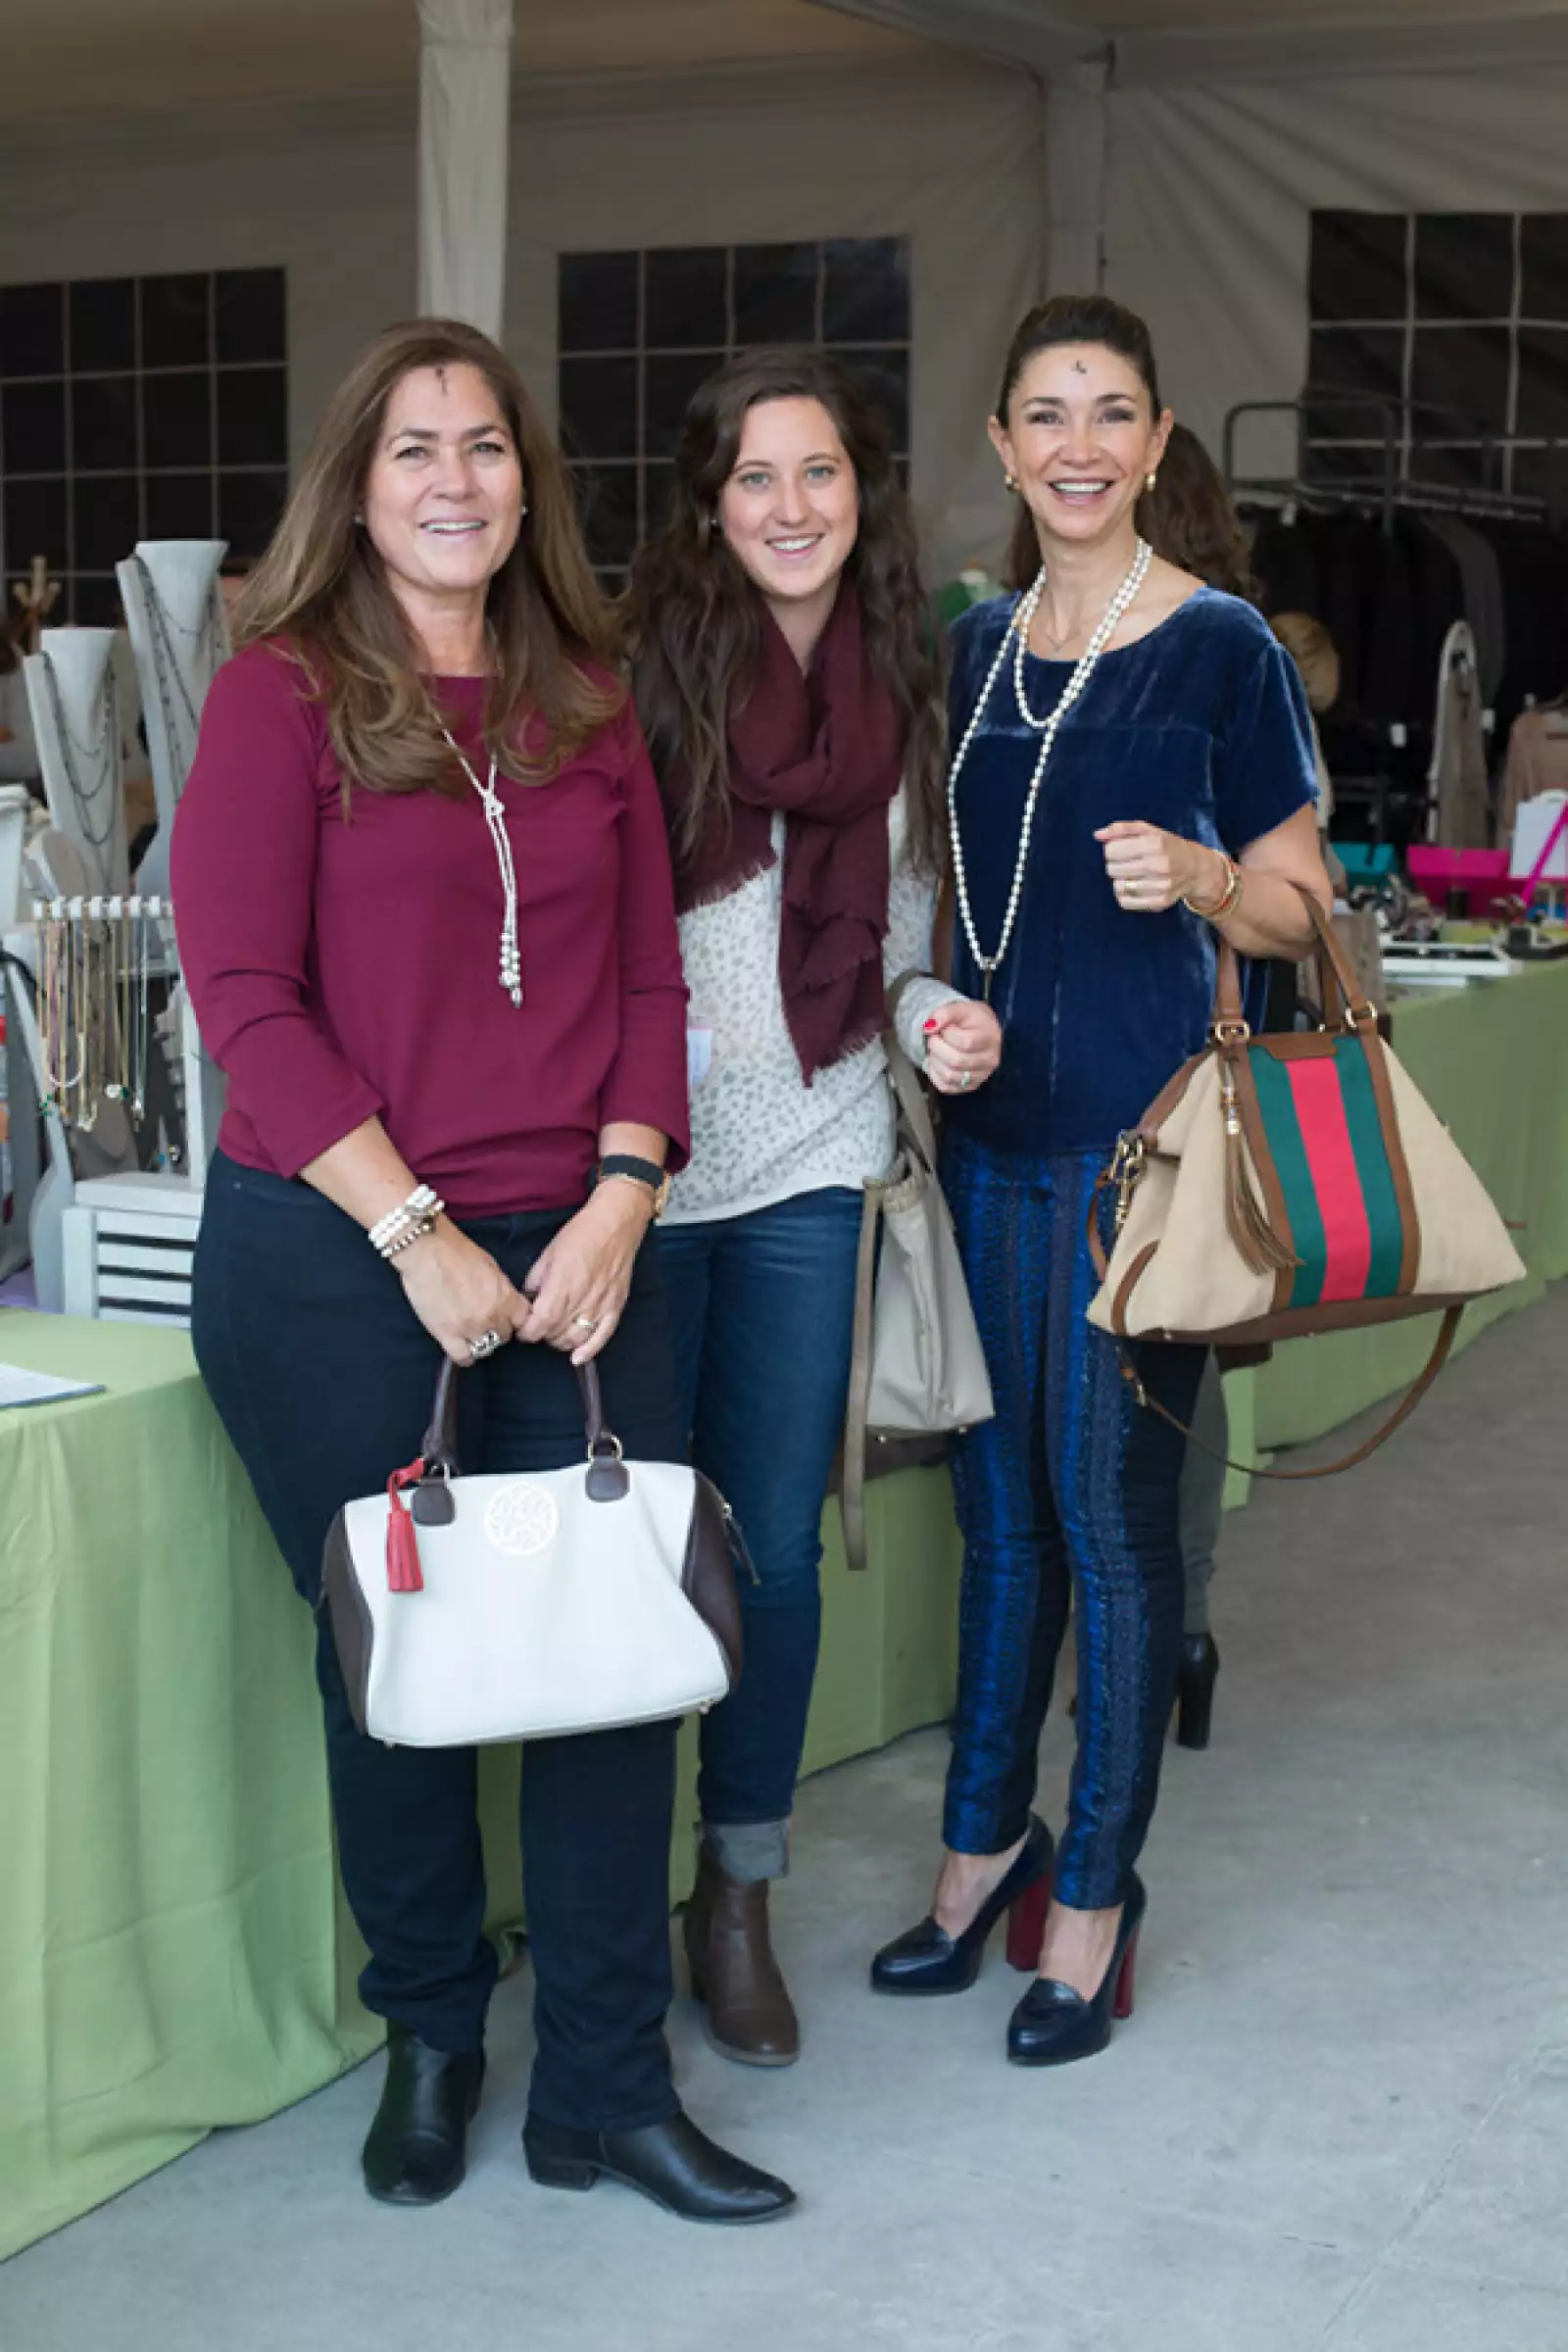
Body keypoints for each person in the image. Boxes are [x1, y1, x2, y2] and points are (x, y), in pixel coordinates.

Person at [172, 318, 794, 2225]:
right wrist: (412, 1231)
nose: (456, 480)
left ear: (530, 483)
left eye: (488, 446)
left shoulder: (587, 703)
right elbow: (243, 1000)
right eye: (415, 449)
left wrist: (624, 1196)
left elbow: (647, 982)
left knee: (619, 1673)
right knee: (402, 1662)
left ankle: (605, 2088)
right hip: (337, 1257)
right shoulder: (279, 697)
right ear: (355, 489)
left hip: (588, 1247)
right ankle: (432, 2036)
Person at [871, 294, 1330, 2063]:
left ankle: (1093, 1898)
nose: (1080, 445)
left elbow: (1306, 911)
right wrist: (934, 1017)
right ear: (1002, 446)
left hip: (1155, 1166)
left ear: (1155, 444)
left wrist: (1205, 878)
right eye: (1047, 414)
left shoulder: (1222, 649)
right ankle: (980, 1850)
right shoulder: (968, 652)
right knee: (999, 1528)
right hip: (988, 1153)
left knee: (1115, 1531)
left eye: (1112, 412)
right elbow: (932, 899)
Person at [623, 348, 1002, 2067]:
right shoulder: (633, 680)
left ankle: (738, 1892)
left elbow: (903, 951)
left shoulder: (905, 689)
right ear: (710, 504)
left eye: (822, 471)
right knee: (640, 1542)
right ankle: (611, 1895)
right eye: (756, 476)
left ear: (865, 493)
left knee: (771, 1548)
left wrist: (935, 1021)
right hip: (632, 1178)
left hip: (812, 1164)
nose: (792, 507)